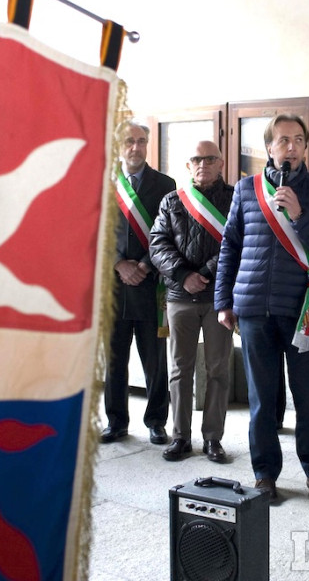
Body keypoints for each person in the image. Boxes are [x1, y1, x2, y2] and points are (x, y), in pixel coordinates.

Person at [215, 113, 309, 502]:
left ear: (306, 147)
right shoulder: (245, 189)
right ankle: (265, 474)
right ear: (269, 147)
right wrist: (223, 300)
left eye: (298, 140)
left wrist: (300, 216)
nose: (291, 146)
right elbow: (230, 247)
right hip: (254, 308)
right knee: (261, 399)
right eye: (283, 140)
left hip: (302, 310)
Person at [149, 141, 235, 462]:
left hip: (218, 296)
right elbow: (157, 244)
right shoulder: (173, 201)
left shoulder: (234, 198)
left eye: (209, 158)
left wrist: (206, 273)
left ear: (220, 162)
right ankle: (180, 437)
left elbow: (236, 242)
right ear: (188, 166)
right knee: (179, 370)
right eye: (196, 159)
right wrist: (184, 274)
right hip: (179, 296)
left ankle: (213, 438)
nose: (203, 164)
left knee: (217, 370)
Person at [100, 121, 176, 445]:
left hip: (151, 284)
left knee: (156, 359)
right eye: (129, 141)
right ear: (119, 145)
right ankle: (116, 422)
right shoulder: (103, 183)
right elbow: (92, 234)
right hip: (113, 287)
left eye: (141, 141)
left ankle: (156, 421)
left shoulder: (165, 184)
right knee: (114, 358)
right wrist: (118, 263)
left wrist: (144, 264)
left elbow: (171, 233)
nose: (136, 147)